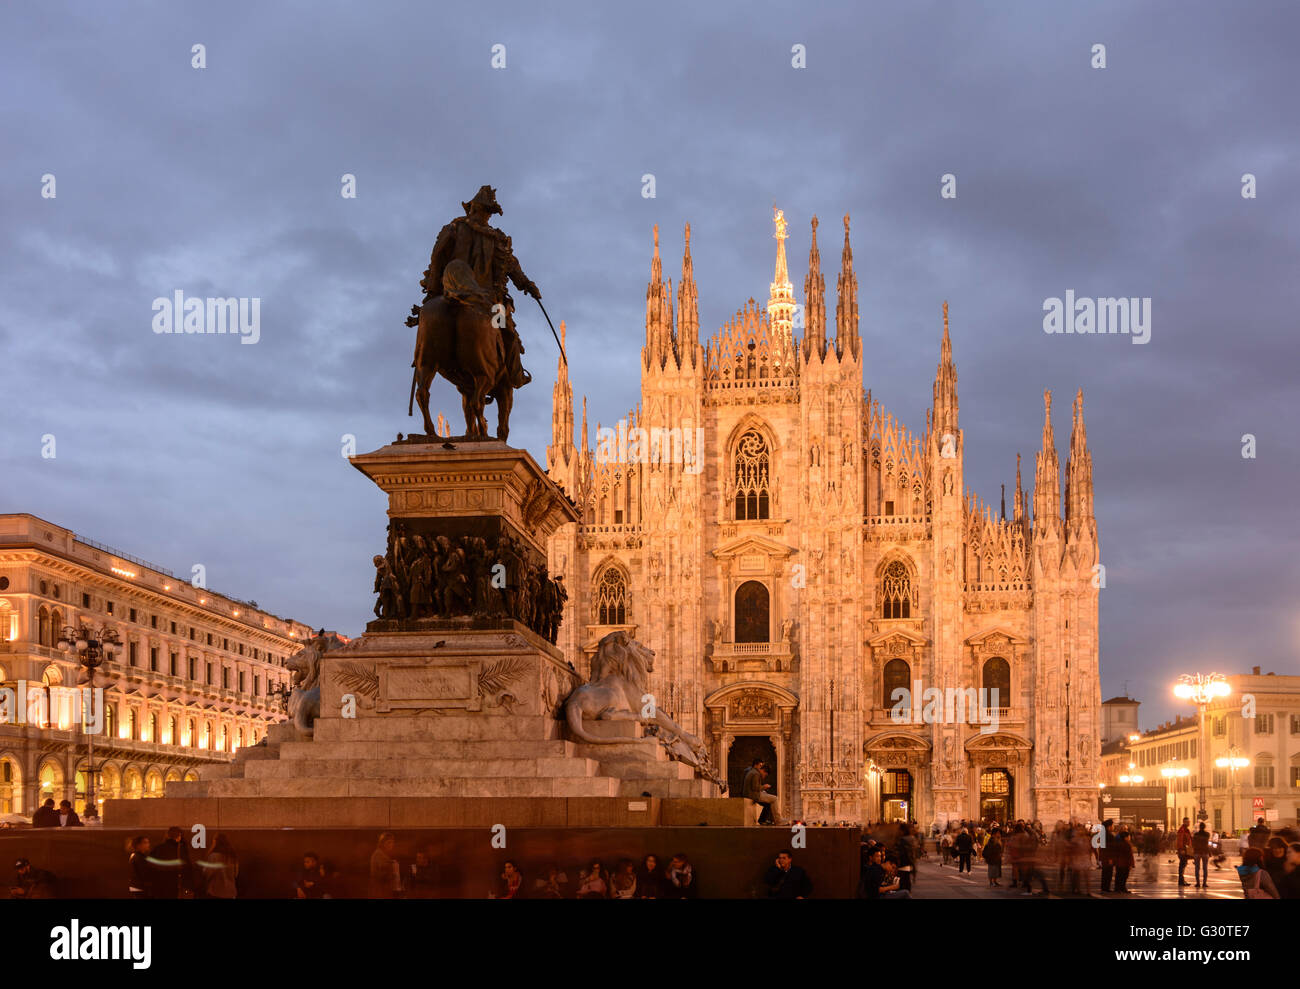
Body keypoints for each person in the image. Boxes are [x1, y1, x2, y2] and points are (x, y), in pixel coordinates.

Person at [152, 826, 193, 899]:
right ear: (179, 836)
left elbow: (151, 866)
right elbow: (187, 866)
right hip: (176, 883)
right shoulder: (181, 849)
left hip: (160, 884)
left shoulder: (158, 848)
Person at [742, 757, 782, 826]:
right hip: (752, 795)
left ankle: (762, 820)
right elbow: (755, 788)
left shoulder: (752, 771)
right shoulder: (756, 773)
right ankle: (778, 821)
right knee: (774, 798)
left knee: (768, 803)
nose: (764, 776)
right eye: (760, 766)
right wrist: (764, 786)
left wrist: (762, 789)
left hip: (750, 793)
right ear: (763, 770)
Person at [201, 833, 238, 899]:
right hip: (231, 892)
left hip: (216, 892)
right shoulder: (232, 856)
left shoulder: (213, 856)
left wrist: (209, 851)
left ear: (215, 842)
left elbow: (207, 873)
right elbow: (236, 874)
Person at [369, 832, 401, 899]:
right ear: (382, 844)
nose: (391, 845)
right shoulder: (379, 855)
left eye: (392, 842)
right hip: (380, 892)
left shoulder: (381, 854)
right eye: (389, 842)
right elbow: (382, 876)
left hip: (382, 891)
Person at [1112, 830, 1135, 894]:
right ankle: (1122, 888)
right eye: (1129, 836)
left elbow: (1115, 854)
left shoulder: (1118, 844)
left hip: (1119, 863)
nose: (1129, 837)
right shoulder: (1127, 845)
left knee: (1119, 876)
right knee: (1124, 876)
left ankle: (1118, 888)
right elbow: (1129, 855)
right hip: (1125, 863)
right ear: (1125, 837)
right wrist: (1131, 864)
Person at [1191, 821, 1211, 889]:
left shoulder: (1196, 835)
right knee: (1205, 868)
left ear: (1199, 827)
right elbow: (1207, 843)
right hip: (1205, 852)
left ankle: (1198, 883)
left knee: (1197, 868)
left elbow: (1193, 843)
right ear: (1205, 827)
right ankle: (1204, 883)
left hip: (1197, 852)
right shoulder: (1207, 834)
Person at [1175, 817, 1193, 887]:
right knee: (1182, 865)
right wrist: (1181, 849)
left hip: (1185, 850)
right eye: (1188, 822)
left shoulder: (1186, 830)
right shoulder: (1182, 830)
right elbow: (1180, 840)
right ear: (1184, 822)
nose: (1189, 823)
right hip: (1183, 850)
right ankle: (1181, 881)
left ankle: (1182, 880)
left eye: (1189, 822)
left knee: (1183, 865)